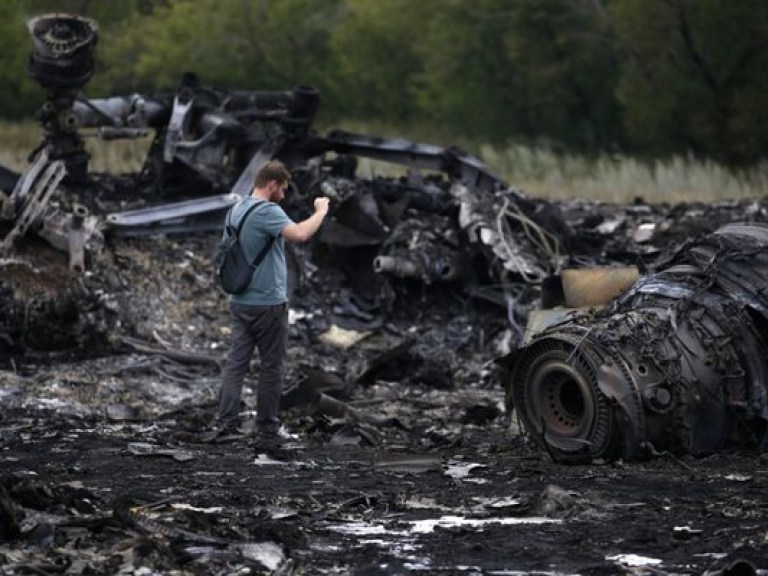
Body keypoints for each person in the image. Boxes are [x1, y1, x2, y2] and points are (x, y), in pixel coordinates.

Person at [203, 160, 329, 445]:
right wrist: (320, 211)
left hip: (240, 301)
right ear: (271, 185)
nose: (283, 196)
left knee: (236, 363)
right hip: (268, 304)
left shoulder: (237, 208)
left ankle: (226, 424)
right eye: (282, 190)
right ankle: (267, 428)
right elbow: (300, 233)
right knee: (271, 367)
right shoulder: (268, 211)